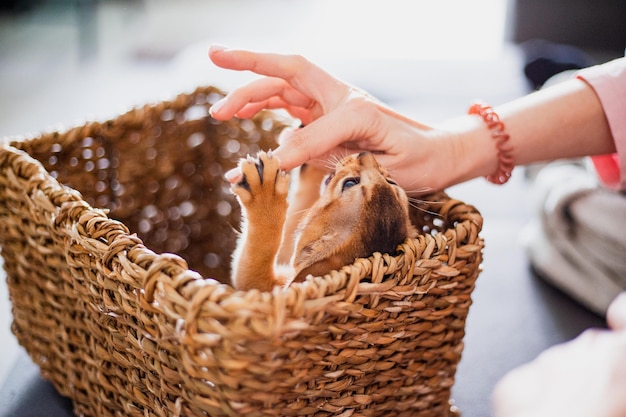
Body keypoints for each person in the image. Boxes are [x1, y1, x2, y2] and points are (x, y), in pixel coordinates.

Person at [207, 45, 626, 416]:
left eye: (358, 180)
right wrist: (452, 147)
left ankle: (565, 81)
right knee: (563, 95)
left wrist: (266, 221)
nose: (370, 163)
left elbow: (257, 294)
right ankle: (565, 78)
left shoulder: (314, 276)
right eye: (389, 181)